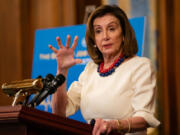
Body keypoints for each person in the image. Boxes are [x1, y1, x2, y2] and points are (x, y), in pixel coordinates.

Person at [49, 5, 160, 135]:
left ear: (124, 34)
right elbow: (59, 113)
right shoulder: (90, 70)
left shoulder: (141, 66)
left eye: (111, 29)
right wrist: (62, 71)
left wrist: (114, 125)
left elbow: (145, 118)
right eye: (98, 31)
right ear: (94, 40)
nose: (105, 36)